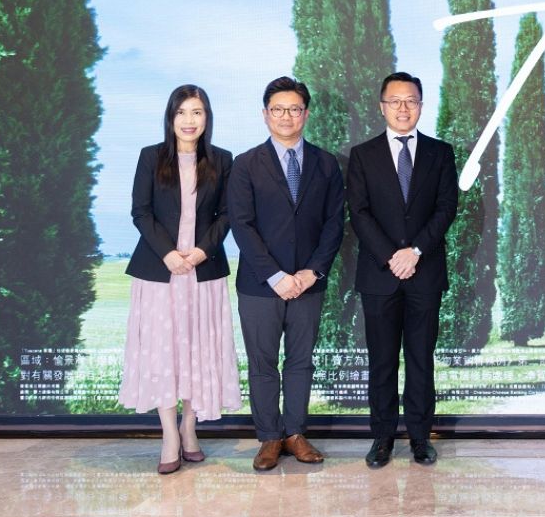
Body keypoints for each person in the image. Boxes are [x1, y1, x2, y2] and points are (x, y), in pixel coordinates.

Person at [118, 84, 242, 475]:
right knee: (164, 352)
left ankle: (190, 428)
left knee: (198, 352)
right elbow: (141, 212)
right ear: (170, 117)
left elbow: (227, 214)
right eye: (182, 112)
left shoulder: (222, 160)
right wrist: (168, 254)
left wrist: (202, 251)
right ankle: (169, 434)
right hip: (160, 274)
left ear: (207, 118)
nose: (189, 120)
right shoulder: (151, 157)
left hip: (203, 273)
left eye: (197, 112)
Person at [229, 76, 345, 472]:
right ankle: (269, 438)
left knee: (300, 361)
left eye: (294, 109)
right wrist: (276, 275)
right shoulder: (245, 164)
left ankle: (295, 433)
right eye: (278, 109)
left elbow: (334, 223)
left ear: (306, 114)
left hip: (308, 284)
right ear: (265, 115)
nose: (286, 116)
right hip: (260, 286)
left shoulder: (326, 164)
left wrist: (313, 272)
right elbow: (242, 225)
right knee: (263, 364)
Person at [347, 72, 459, 468]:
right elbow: (359, 212)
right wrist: (391, 256)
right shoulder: (362, 155)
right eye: (394, 101)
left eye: (410, 100)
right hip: (379, 276)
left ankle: (419, 437)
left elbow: (446, 207)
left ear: (421, 106)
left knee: (420, 359)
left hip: (424, 273)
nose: (402, 108)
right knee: (381, 361)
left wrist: (415, 252)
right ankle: (381, 439)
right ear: (382, 107)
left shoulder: (440, 153)